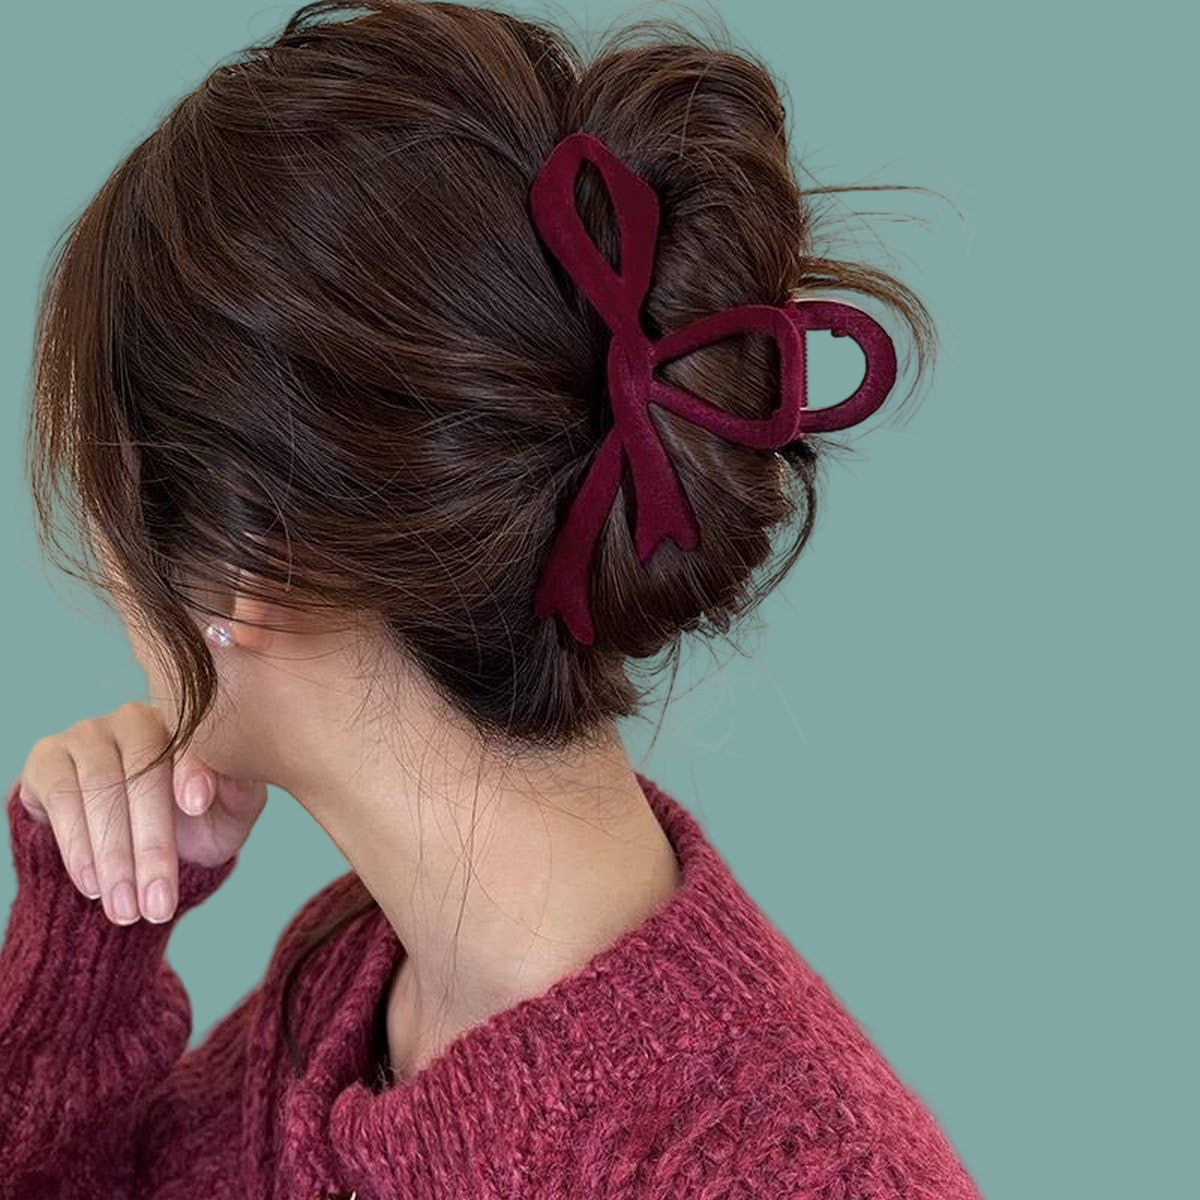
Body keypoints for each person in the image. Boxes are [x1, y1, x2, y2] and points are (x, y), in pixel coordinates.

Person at [0, 2, 984, 1197]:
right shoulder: (346, 985)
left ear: (252, 559)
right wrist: (85, 956)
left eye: (107, 483)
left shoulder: (806, 1176)